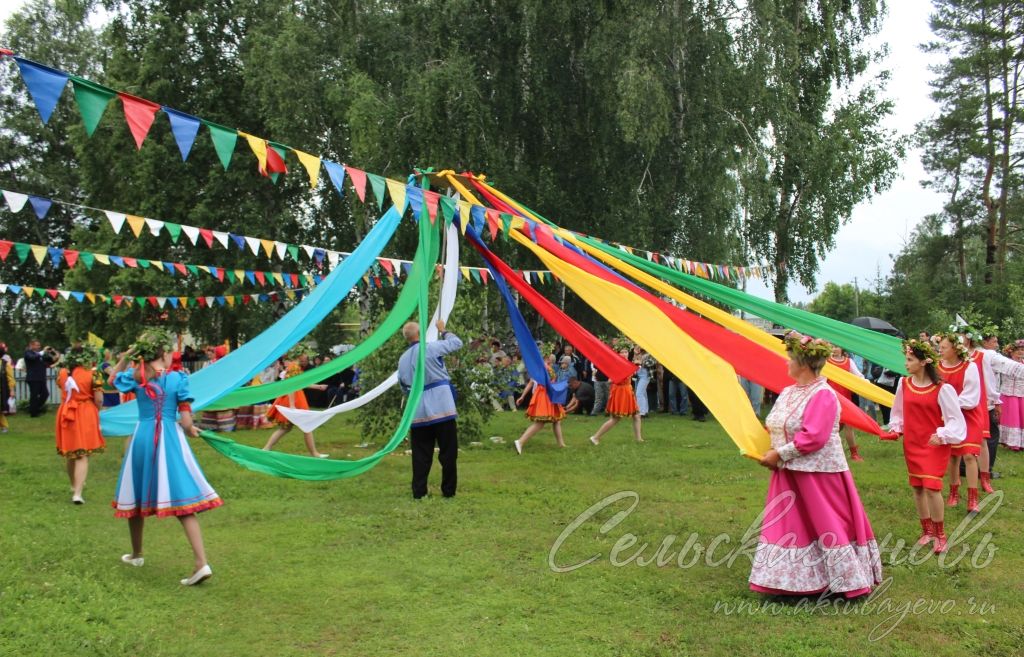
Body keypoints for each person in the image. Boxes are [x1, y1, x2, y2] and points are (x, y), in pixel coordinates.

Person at [750, 331, 882, 598]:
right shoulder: (788, 391)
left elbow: (815, 436)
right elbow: (778, 423)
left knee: (826, 525)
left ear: (803, 363)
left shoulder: (823, 394)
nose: (786, 362)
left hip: (819, 474)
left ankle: (843, 580)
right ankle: (792, 581)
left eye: (789, 358)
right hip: (790, 470)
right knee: (792, 526)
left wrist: (780, 454)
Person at [110, 329, 221, 586]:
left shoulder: (137, 376)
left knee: (135, 495)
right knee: (182, 500)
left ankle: (137, 554)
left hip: (143, 438)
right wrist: (192, 429)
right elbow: (185, 420)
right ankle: (200, 561)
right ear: (164, 353)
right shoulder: (178, 378)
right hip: (170, 439)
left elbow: (112, 378)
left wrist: (126, 356)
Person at [882, 338, 966, 553]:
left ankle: (940, 534)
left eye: (910, 360)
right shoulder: (904, 384)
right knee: (918, 488)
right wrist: (896, 428)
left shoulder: (942, 389)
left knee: (932, 488)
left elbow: (956, 420)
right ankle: (926, 531)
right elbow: (898, 411)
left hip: (933, 444)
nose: (906, 364)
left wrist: (943, 434)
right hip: (912, 443)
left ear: (923, 362)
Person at [398, 319, 463, 498]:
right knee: (448, 451)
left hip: (418, 409)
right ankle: (448, 491)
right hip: (442, 406)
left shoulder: (402, 359)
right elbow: (457, 343)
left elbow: (403, 385)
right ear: (419, 334)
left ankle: (419, 492)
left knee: (420, 453)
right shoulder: (430, 348)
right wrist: (443, 330)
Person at [936, 332, 984, 513]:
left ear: (955, 349)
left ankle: (973, 498)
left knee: (970, 454)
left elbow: (971, 396)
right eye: (939, 347)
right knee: (953, 455)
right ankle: (953, 492)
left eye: (944, 348)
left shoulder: (969, 367)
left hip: (968, 415)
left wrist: (951, 403)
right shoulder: (937, 367)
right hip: (948, 416)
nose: (940, 351)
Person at [55, 346, 106, 504]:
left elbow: (63, 389)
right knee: (82, 454)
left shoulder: (62, 373)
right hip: (84, 412)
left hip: (65, 412)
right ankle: (78, 492)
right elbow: (98, 399)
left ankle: (73, 485)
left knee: (71, 453)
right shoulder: (93, 373)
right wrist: (96, 410)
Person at [262, 355, 329, 458]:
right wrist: (292, 404)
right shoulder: (293, 366)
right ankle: (314, 453)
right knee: (305, 426)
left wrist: (318, 387)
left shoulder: (295, 366)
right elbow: (291, 386)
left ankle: (266, 448)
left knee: (287, 428)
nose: (305, 357)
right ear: (299, 355)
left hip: (294, 398)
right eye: (304, 355)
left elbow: (300, 383)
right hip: (294, 399)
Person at [589, 348, 644, 445]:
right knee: (615, 418)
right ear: (618, 354)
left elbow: (637, 365)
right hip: (620, 392)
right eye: (622, 352)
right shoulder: (617, 364)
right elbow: (610, 380)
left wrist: (636, 361)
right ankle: (595, 437)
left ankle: (639, 439)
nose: (624, 354)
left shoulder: (629, 363)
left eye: (626, 352)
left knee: (636, 415)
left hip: (627, 391)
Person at [513, 354, 567, 453]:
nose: (551, 358)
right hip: (544, 395)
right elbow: (533, 382)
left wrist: (522, 396)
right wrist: (522, 396)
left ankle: (561, 444)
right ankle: (520, 441)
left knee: (556, 420)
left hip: (548, 395)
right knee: (540, 422)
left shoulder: (543, 367)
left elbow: (531, 382)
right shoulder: (543, 367)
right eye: (548, 357)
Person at [826, 346, 866, 462]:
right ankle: (826, 450)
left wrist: (866, 384)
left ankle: (854, 453)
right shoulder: (826, 361)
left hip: (846, 399)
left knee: (849, 425)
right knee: (832, 427)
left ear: (842, 349)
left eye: (837, 346)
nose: (834, 349)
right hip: (831, 399)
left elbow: (858, 376)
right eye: (832, 346)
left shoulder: (849, 362)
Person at [998, 340, 1024, 451]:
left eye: (1022, 350)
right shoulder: (1005, 363)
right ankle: (1009, 442)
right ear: (1011, 352)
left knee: (1021, 418)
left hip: (1021, 394)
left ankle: (1020, 443)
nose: (1020, 352)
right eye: (1017, 350)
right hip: (1008, 394)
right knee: (1011, 418)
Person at [24, 339, 57, 417]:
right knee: (34, 395)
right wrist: (43, 351)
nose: (39, 346)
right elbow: (33, 358)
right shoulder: (28, 353)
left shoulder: (40, 354)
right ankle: (34, 413)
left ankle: (34, 408)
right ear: (31, 345)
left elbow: (49, 362)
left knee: (45, 394)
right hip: (33, 378)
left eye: (39, 345)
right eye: (37, 345)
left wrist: (54, 354)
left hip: (41, 377)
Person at [633, 346, 653, 417]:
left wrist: (641, 362)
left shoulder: (650, 353)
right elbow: (633, 363)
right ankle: (645, 411)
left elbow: (652, 363)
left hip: (645, 375)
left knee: (639, 393)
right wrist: (635, 355)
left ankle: (641, 412)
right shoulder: (637, 353)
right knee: (643, 393)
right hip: (637, 375)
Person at [0, 344, 14, 433]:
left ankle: (4, 426)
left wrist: (12, 390)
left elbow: (10, 378)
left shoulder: (5, 364)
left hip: (2, 390)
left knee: (0, 410)